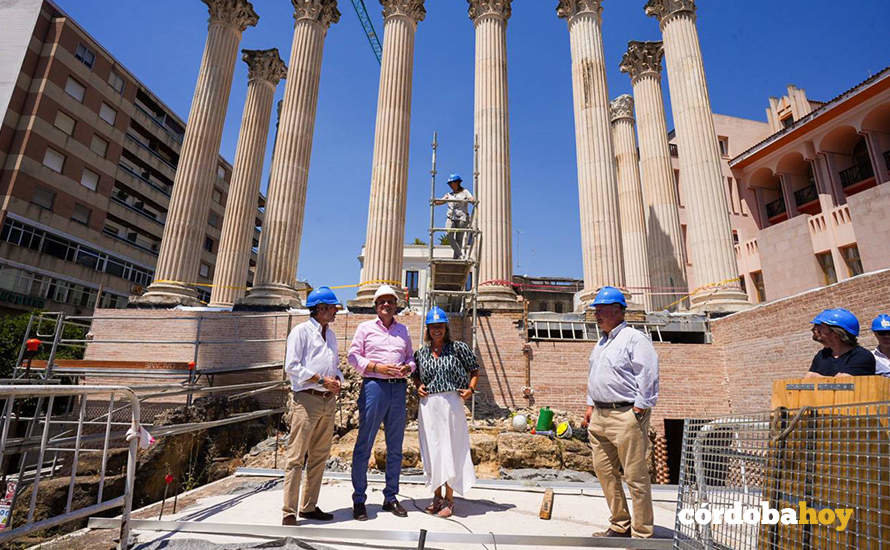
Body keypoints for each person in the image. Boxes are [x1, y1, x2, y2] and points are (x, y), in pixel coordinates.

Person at [581, 286, 658, 539]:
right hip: (600, 416)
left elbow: (647, 374)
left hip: (626, 414)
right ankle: (619, 524)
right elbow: (596, 376)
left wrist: (639, 408)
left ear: (617, 310)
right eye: (596, 310)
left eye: (601, 310)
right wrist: (590, 405)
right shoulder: (601, 343)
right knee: (605, 473)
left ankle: (642, 534)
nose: (596, 315)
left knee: (635, 477)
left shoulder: (634, 338)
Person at [347, 284, 415, 520]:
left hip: (398, 389)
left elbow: (411, 358)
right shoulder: (365, 328)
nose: (386, 305)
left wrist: (408, 367)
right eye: (382, 301)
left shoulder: (403, 330)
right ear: (375, 306)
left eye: (390, 301)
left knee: (395, 446)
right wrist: (377, 367)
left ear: (396, 305)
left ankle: (390, 497)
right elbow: (353, 356)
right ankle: (359, 500)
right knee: (364, 444)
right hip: (374, 387)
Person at [281, 286, 344, 526]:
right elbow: (292, 366)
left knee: (319, 456)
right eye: (332, 307)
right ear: (320, 309)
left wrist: (337, 380)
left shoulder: (332, 335)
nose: (336, 311)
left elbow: (335, 365)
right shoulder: (301, 332)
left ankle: (308, 506)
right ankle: (289, 510)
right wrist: (320, 380)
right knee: (296, 456)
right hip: (306, 399)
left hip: (328, 400)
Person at [412, 306, 478, 518]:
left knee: (450, 447)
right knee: (433, 449)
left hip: (451, 403)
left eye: (440, 326)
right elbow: (416, 375)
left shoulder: (458, 348)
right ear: (428, 329)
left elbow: (474, 369)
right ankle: (436, 497)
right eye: (433, 327)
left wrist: (471, 389)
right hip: (429, 405)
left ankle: (450, 499)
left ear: (446, 328)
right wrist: (417, 385)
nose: (436, 330)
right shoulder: (421, 352)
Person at [805, 308, 875, 377]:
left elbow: (843, 384)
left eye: (820, 326)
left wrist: (816, 377)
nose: (813, 329)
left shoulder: (861, 356)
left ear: (836, 333)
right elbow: (808, 381)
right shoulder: (822, 355)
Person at [434, 173, 474, 259]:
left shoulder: (465, 192)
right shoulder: (449, 194)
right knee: (449, 235)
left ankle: (456, 258)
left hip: (462, 218)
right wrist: (435, 202)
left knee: (459, 239)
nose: (450, 185)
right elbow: (442, 200)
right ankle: (460, 255)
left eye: (452, 183)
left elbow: (471, 198)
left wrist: (472, 200)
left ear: (457, 183)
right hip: (451, 217)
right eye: (450, 184)